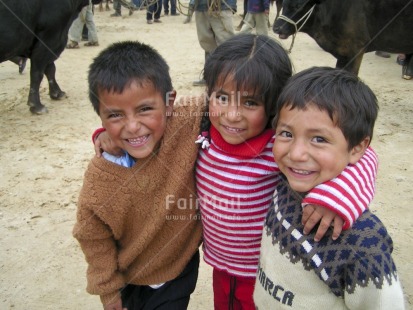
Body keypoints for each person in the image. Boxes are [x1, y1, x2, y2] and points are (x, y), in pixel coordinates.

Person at [196, 34, 378, 309]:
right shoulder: (202, 132)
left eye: (250, 103)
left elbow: (364, 158)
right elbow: (151, 122)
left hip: (266, 275)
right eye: (222, 97)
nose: (232, 115)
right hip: (220, 267)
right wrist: (106, 136)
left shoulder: (280, 146)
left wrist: (335, 198)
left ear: (274, 105)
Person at [254, 66, 405, 309]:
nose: (296, 153)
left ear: (357, 147)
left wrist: (335, 199)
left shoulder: (362, 244)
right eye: (286, 133)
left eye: (319, 139)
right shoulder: (284, 182)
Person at [73, 41, 205, 310]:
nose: (133, 127)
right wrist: (108, 291)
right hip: (129, 277)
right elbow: (92, 235)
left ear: (169, 103)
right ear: (100, 117)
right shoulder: (101, 178)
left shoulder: (185, 122)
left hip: (179, 267)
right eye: (115, 115)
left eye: (145, 109)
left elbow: (227, 101)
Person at [192, 0, 237, 86]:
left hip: (222, 6)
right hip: (201, 7)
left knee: (226, 43)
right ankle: (209, 76)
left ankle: (231, 76)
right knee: (207, 44)